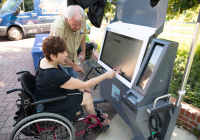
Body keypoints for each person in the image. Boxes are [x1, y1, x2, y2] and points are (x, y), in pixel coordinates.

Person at [34, 36, 118, 126]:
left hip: (48, 96)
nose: (66, 54)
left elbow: (66, 82)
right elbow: (85, 84)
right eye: (62, 53)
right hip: (52, 104)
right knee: (87, 97)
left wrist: (80, 87)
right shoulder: (53, 74)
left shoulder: (44, 60)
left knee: (82, 91)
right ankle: (95, 122)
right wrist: (105, 75)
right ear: (53, 56)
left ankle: (93, 114)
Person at [50, 5, 87, 78]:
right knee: (64, 85)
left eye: (79, 24)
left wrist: (83, 51)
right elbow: (58, 54)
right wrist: (74, 66)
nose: (78, 27)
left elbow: (83, 34)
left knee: (74, 84)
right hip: (60, 63)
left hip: (74, 59)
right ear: (67, 19)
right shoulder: (59, 28)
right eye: (74, 25)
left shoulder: (81, 21)